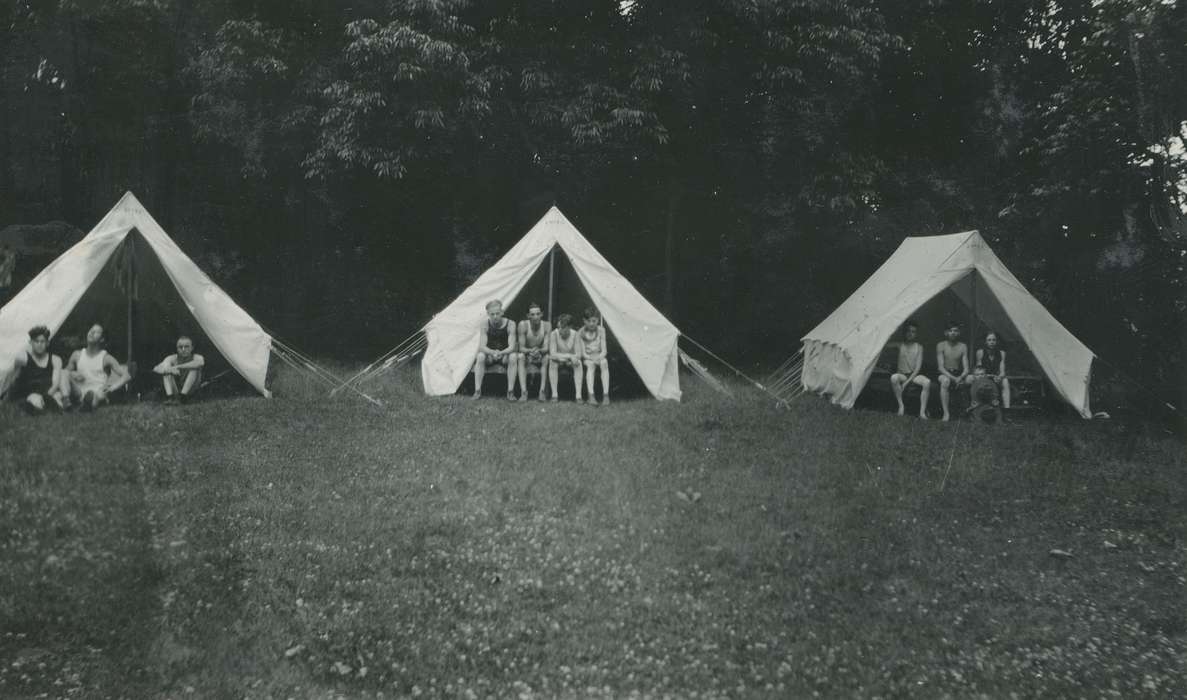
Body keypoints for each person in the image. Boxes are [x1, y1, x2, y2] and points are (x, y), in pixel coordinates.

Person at [65, 323, 130, 412]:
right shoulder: (77, 354)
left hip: (97, 392)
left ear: (102, 339)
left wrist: (112, 388)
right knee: (63, 374)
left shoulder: (106, 358)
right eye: (91, 330)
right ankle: (73, 402)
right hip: (78, 392)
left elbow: (127, 375)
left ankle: (87, 405)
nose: (92, 332)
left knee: (98, 394)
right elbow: (64, 373)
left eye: (97, 332)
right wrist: (73, 373)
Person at [10, 325, 66, 414]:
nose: (39, 344)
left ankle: (50, 408)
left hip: (49, 391)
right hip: (33, 392)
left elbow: (55, 384)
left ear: (47, 343)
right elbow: (14, 379)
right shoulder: (23, 358)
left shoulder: (55, 359)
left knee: (57, 398)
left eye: (42, 341)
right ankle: (37, 409)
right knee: (34, 400)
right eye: (36, 341)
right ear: (30, 342)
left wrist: (46, 396)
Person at [472, 300, 518, 400]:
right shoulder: (485, 324)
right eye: (492, 314)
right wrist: (493, 353)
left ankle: (510, 391)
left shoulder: (510, 324)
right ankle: (477, 390)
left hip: (504, 355)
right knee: (480, 356)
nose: (495, 316)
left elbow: (512, 346)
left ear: (502, 312)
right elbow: (482, 346)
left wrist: (501, 353)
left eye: (497, 313)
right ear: (488, 314)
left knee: (514, 356)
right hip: (490, 356)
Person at [888, 321, 930, 419]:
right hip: (902, 374)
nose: (910, 333)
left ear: (916, 334)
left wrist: (906, 383)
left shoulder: (919, 347)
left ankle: (922, 412)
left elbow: (918, 368)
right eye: (908, 331)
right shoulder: (900, 345)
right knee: (894, 377)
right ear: (904, 332)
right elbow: (885, 344)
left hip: (914, 375)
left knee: (927, 382)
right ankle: (901, 406)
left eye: (913, 332)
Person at [153, 335, 205, 405]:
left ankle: (183, 397)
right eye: (180, 347)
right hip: (177, 390)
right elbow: (156, 368)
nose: (183, 349)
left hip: (192, 389)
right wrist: (169, 370)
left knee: (194, 368)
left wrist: (177, 367)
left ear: (192, 348)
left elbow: (200, 363)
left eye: (186, 347)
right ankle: (170, 398)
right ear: (177, 349)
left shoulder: (197, 357)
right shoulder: (172, 358)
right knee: (166, 368)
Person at [516, 302, 551, 401]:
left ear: (541, 314)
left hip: (540, 354)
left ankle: (542, 391)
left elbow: (546, 347)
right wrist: (530, 351)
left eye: (538, 314)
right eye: (532, 314)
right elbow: (521, 347)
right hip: (527, 355)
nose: (535, 317)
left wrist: (539, 351)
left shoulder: (547, 325)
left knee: (547, 357)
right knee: (520, 356)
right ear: (528, 315)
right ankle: (524, 392)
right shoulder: (523, 325)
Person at [935, 322, 969, 421]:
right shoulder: (941, 345)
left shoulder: (963, 346)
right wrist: (955, 379)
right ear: (946, 333)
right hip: (944, 373)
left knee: (970, 379)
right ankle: (946, 413)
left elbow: (966, 368)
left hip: (958, 373)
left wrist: (960, 377)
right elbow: (940, 367)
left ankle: (969, 412)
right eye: (950, 331)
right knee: (946, 381)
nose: (953, 333)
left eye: (955, 331)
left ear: (959, 333)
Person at [548, 313, 583, 402]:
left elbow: (579, 354)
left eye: (562, 327)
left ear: (569, 327)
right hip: (559, 361)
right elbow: (553, 353)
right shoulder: (554, 334)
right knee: (552, 362)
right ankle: (554, 395)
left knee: (578, 363)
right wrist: (570, 356)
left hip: (570, 362)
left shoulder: (575, 334)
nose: (559, 330)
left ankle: (578, 395)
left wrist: (571, 359)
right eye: (558, 327)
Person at [971, 331, 1011, 409]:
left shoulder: (1002, 353)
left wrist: (999, 377)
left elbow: (1002, 371)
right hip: (983, 376)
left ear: (996, 341)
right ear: (986, 342)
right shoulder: (980, 352)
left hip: (995, 377)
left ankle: (1007, 410)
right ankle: (973, 406)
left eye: (993, 340)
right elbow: (978, 371)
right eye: (989, 340)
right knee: (969, 379)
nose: (991, 342)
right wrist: (989, 376)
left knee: (1005, 381)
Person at [579, 307, 610, 406]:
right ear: (584, 321)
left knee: (604, 363)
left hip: (599, 355)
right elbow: (583, 353)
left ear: (597, 320)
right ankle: (591, 395)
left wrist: (599, 357)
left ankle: (606, 395)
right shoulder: (581, 332)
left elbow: (604, 350)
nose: (592, 323)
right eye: (589, 321)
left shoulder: (601, 330)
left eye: (594, 321)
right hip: (588, 357)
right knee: (591, 365)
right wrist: (592, 358)